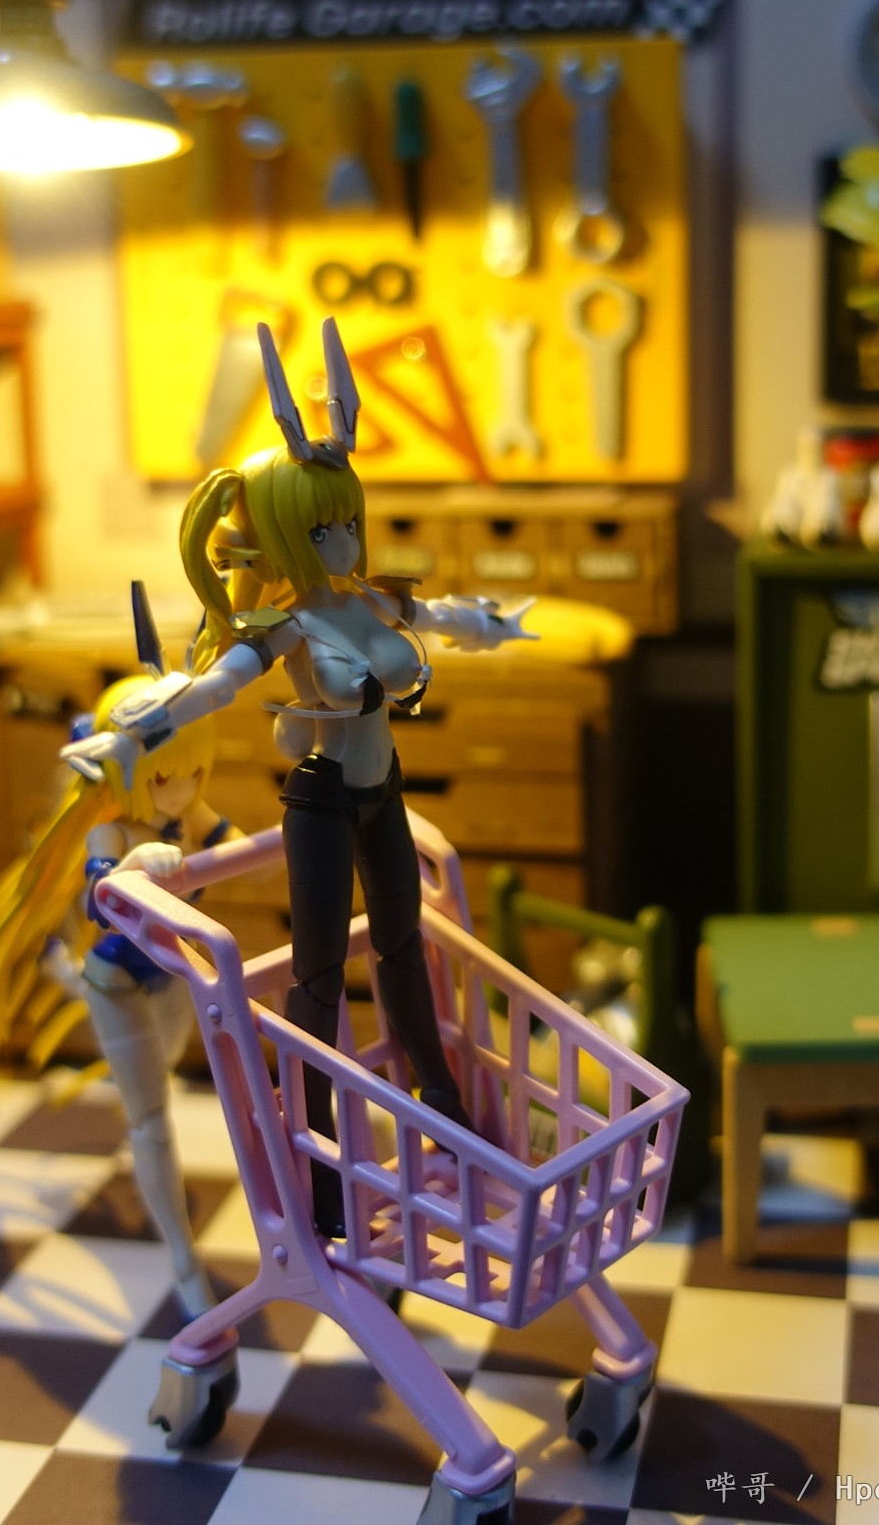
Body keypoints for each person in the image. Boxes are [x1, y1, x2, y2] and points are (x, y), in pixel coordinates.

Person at [66, 319, 534, 1231]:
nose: (345, 542)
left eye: (350, 521)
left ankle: (445, 1121)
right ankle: (320, 1173)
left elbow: (445, 617)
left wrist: (496, 627)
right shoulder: (287, 630)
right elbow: (215, 689)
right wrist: (137, 734)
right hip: (321, 806)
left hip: (383, 795)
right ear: (284, 535)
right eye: (324, 529)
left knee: (404, 949)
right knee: (317, 983)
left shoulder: (376, 602)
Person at [0, 646, 238, 1319]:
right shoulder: (112, 831)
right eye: (167, 775)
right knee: (150, 1122)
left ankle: (62, 974)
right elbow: (101, 898)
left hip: (173, 972)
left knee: (166, 1067)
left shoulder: (188, 809)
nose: (183, 787)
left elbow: (245, 850)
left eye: (196, 771)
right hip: (122, 976)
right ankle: (183, 1261)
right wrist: (139, 862)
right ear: (128, 772)